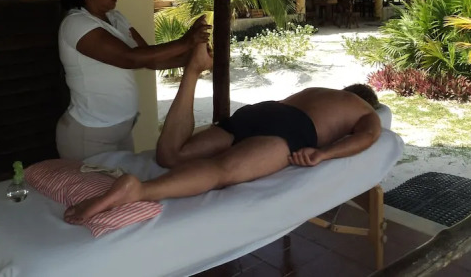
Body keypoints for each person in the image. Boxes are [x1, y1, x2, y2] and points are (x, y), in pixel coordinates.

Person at [64, 42, 382, 224]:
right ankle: (140, 190)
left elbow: (280, 113)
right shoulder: (364, 110)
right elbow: (367, 137)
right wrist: (323, 153)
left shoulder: (319, 91)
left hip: (262, 111)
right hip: (294, 128)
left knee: (171, 156)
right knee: (221, 171)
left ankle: (192, 71)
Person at [56, 0, 210, 160]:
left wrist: (192, 59)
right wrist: (185, 42)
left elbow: (148, 58)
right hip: (89, 137)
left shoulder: (115, 18)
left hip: (121, 132)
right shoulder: (76, 24)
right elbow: (129, 58)